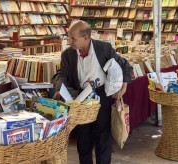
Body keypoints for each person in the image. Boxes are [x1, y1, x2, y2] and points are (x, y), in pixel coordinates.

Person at [53, 20, 133, 164]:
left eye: (73, 38)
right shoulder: (68, 55)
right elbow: (62, 74)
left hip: (102, 96)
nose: (69, 41)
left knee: (103, 138)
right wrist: (59, 88)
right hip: (81, 98)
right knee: (83, 140)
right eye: (68, 37)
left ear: (86, 38)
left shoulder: (104, 49)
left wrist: (124, 86)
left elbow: (125, 66)